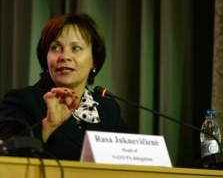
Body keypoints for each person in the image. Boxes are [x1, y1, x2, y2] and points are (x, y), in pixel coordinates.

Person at [0, 13, 129, 160]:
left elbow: (133, 159)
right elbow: (6, 155)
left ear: (95, 60)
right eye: (55, 48)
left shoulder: (108, 109)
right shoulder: (22, 100)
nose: (64, 56)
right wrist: (47, 125)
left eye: (76, 48)